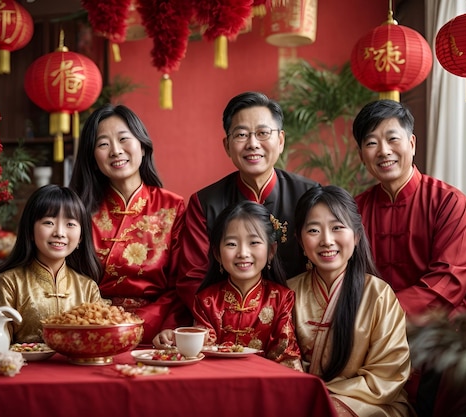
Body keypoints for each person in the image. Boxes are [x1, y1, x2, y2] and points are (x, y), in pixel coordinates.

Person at [352, 99, 466, 416]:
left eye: (392, 139)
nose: (383, 151)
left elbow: (449, 282)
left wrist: (382, 319)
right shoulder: (355, 209)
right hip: (369, 326)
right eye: (371, 143)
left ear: (411, 143)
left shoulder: (449, 202)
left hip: (440, 326)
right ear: (362, 155)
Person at [176, 91, 319, 309]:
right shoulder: (205, 203)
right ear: (227, 146)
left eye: (262, 133)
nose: (252, 144)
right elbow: (192, 279)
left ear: (280, 141)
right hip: (226, 321)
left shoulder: (308, 195)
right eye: (241, 135)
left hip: (298, 316)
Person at [290, 185, 414, 417]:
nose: (327, 240)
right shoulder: (287, 293)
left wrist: (321, 396)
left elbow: (386, 376)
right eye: (314, 230)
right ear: (300, 240)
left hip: (371, 405)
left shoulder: (378, 295)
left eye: (337, 228)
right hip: (301, 401)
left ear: (356, 236)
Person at [69, 104, 189, 343]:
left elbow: (181, 284)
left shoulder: (172, 208)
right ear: (93, 158)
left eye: (124, 139)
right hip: (92, 329)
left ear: (142, 146)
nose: (115, 151)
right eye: (103, 144)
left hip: (155, 332)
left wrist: (162, 326)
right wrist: (100, 320)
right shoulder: (79, 211)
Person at [154, 201, 302, 370]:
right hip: (218, 384)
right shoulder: (207, 300)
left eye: (253, 242)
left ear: (271, 251)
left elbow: (285, 357)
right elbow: (202, 351)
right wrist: (173, 340)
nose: (243, 253)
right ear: (217, 253)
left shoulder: (282, 298)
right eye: (232, 244)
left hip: (265, 385)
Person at [0, 185, 104, 343]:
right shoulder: (9, 283)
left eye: (70, 224)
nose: (59, 233)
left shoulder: (88, 288)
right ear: (30, 230)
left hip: (78, 366)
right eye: (49, 222)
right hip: (23, 366)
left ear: (81, 236)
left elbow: (100, 339)